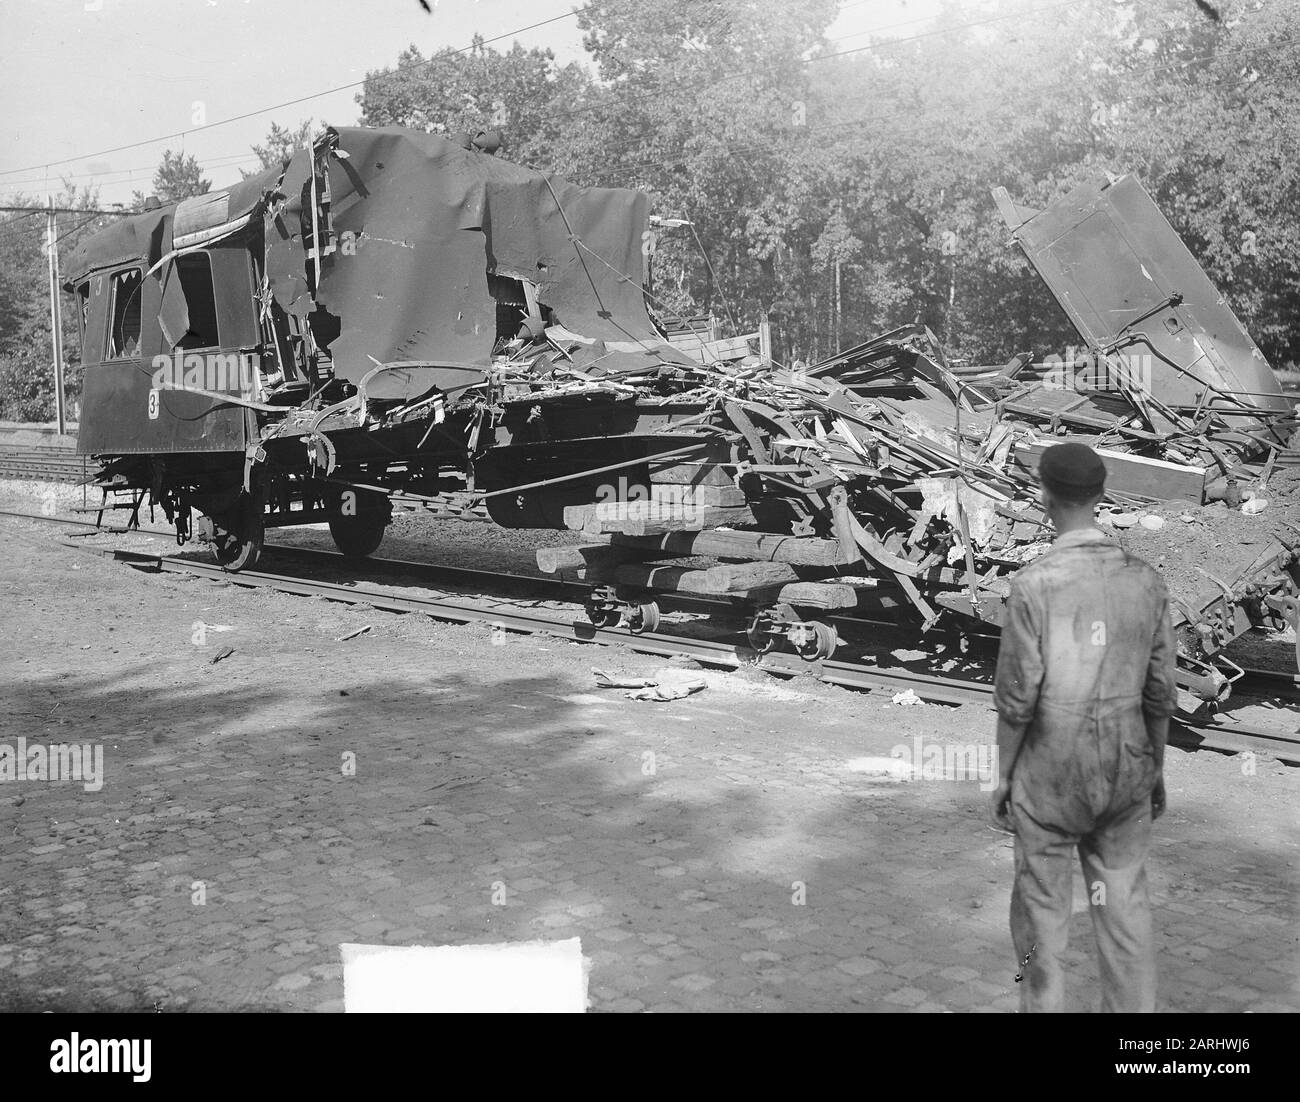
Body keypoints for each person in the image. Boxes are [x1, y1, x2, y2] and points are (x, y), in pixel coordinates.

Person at [990, 441, 1177, 1013]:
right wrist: (1155, 768)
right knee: (1125, 914)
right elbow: (1160, 692)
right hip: (1128, 768)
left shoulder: (1034, 585)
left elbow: (1017, 699)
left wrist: (1003, 778)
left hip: (1050, 775)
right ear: (1100, 495)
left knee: (1042, 921)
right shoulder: (1145, 581)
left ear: (1045, 497)